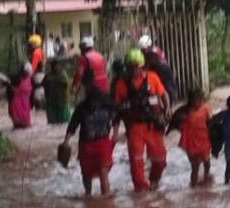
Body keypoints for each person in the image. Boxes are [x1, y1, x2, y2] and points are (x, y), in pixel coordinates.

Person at [113, 49, 170, 191]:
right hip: (134, 128)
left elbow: (163, 94)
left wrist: (168, 108)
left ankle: (153, 181)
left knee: (160, 161)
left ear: (142, 66)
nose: (134, 70)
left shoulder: (153, 78)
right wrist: (114, 132)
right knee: (136, 163)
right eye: (131, 67)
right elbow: (117, 111)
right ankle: (142, 194)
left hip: (153, 126)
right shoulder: (121, 85)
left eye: (136, 67)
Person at [63, 83, 118, 196]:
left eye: (97, 101)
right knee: (86, 174)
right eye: (93, 101)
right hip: (86, 145)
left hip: (103, 143)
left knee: (104, 172)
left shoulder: (107, 105)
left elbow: (116, 119)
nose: (95, 104)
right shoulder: (81, 108)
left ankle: (106, 196)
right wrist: (66, 141)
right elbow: (73, 125)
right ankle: (88, 194)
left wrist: (115, 134)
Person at [179, 88, 212, 186]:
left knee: (207, 162)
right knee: (195, 166)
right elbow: (179, 125)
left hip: (204, 140)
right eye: (195, 100)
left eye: (200, 100)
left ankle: (206, 177)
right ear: (190, 101)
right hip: (191, 142)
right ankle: (193, 186)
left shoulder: (205, 109)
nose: (198, 103)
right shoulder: (184, 112)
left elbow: (209, 122)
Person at [138, 33, 180, 104]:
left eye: (144, 49)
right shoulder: (154, 50)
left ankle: (171, 100)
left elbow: (151, 62)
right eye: (142, 49)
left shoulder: (153, 51)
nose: (143, 51)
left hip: (161, 69)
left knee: (167, 86)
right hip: (160, 69)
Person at [42, 58, 70, 124]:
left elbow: (65, 86)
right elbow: (43, 84)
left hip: (61, 99)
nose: (54, 67)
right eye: (53, 65)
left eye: (55, 65)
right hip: (51, 100)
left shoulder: (62, 74)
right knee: (53, 120)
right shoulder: (48, 75)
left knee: (63, 119)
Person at [8, 62, 33, 129]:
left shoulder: (28, 79)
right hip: (18, 103)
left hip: (24, 104)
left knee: (24, 124)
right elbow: (12, 90)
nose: (27, 74)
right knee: (18, 124)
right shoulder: (19, 79)